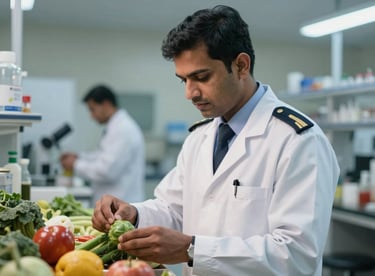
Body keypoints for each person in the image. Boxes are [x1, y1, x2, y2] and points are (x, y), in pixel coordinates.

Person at [92, 6, 339, 276]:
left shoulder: (298, 141)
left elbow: (296, 255)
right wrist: (134, 214)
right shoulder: (200, 137)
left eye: (201, 77)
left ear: (241, 66)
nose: (190, 93)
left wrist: (191, 249)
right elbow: (173, 209)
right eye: (183, 80)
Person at [60, 85, 145, 203]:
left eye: (92, 109)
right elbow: (102, 156)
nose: (91, 116)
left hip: (121, 204)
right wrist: (79, 157)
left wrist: (75, 164)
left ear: (106, 104)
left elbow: (107, 171)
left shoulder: (123, 129)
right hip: (114, 203)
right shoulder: (115, 127)